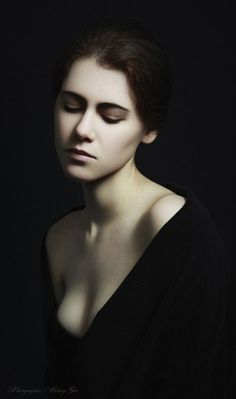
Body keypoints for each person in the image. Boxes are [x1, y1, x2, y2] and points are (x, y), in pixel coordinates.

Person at [40, 18, 234, 399]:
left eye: (110, 116)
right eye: (71, 106)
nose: (82, 128)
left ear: (149, 130)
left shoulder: (181, 232)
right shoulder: (57, 239)